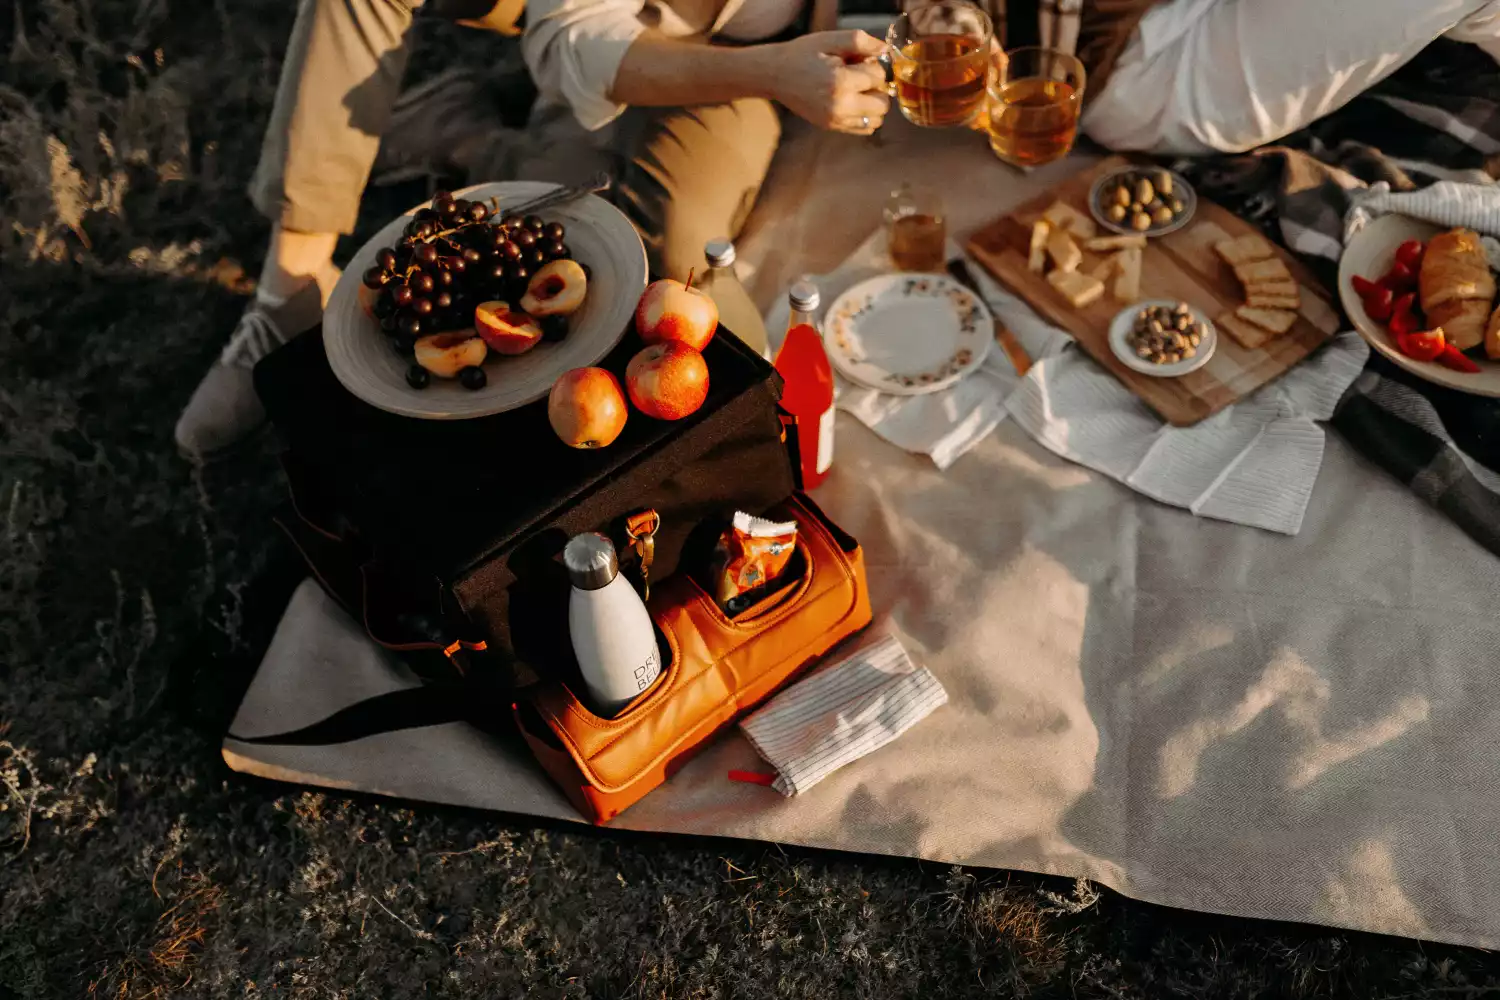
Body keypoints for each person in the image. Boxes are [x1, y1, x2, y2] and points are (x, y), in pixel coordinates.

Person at [177, 0, 1500, 458]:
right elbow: (599, 49)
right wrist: (783, 73)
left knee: (655, 254)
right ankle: (292, 288)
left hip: (820, 30)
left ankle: (493, 158)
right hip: (735, 55)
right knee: (654, 259)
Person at [175, 0, 890, 459]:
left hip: (754, 47)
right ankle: (289, 288)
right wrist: (778, 71)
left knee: (654, 273)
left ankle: (466, 134)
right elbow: (572, 34)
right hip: (597, 18)